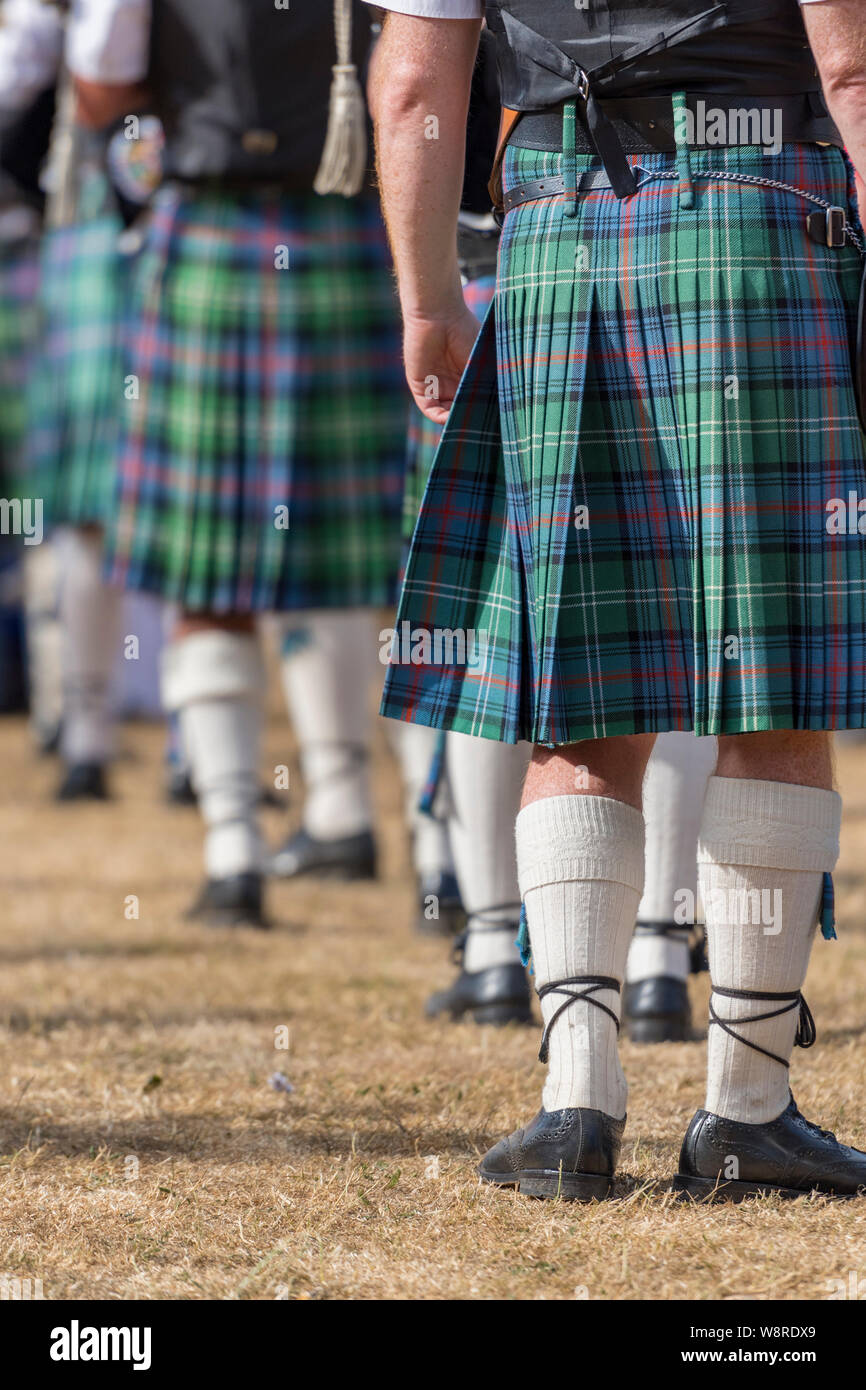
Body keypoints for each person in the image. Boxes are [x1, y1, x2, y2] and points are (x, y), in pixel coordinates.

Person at [369, 0, 866, 1199]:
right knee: (769, 690)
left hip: (553, 235)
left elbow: (412, 86)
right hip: (762, 224)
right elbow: (850, 62)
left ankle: (573, 1107)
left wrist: (429, 296)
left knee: (576, 695)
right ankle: (744, 1108)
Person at [70, 0, 408, 928]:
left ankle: (233, 855)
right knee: (359, 558)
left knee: (206, 576)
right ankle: (377, 826)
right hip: (349, 227)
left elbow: (99, 84)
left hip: (213, 229)